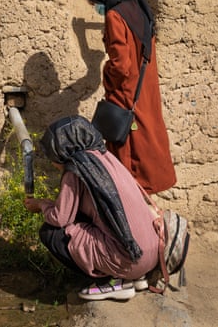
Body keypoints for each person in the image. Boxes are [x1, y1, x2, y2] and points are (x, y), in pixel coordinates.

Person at [23, 115, 160, 301]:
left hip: (129, 260)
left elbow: (60, 218)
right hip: (150, 256)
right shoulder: (106, 157)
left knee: (51, 233)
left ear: (62, 151)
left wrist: (41, 204)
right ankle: (135, 276)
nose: (52, 162)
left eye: (53, 156)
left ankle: (113, 283)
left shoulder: (76, 169)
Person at [82, 0, 176, 194]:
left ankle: (133, 207)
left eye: (94, 2)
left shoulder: (115, 16)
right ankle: (146, 200)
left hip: (126, 94)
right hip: (145, 91)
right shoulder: (140, 13)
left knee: (127, 152)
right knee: (147, 143)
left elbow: (121, 65)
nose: (96, 7)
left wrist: (106, 74)